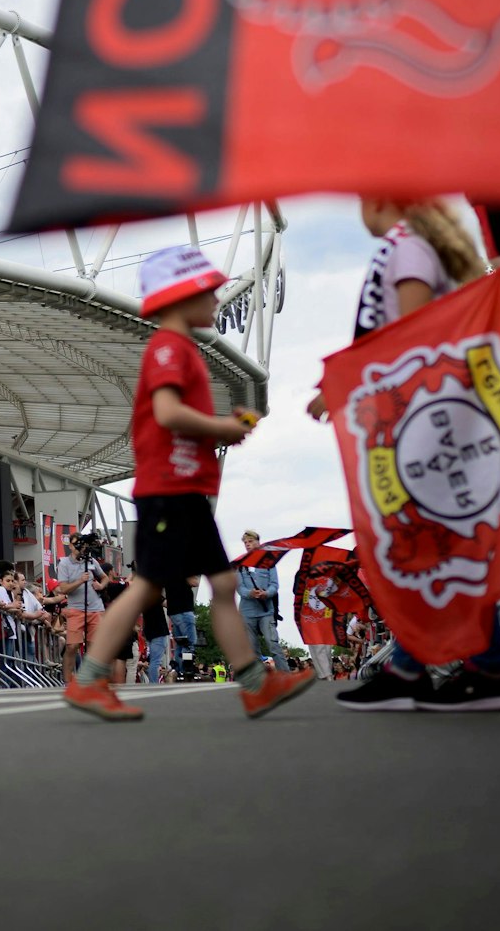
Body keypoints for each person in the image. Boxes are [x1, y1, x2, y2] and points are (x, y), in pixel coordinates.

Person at [64, 243, 315, 722]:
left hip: (183, 492)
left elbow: (175, 420)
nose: (217, 299)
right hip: (168, 492)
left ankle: (255, 684)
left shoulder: (180, 348)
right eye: (208, 291)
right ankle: (91, 679)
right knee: (146, 588)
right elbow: (167, 412)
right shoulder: (168, 347)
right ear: (180, 299)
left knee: (221, 583)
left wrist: (218, 430)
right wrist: (222, 428)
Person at [322, 198, 500, 713]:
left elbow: (412, 338)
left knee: (428, 544)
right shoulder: (421, 247)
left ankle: (432, 670)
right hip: (431, 418)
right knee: (441, 547)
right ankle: (460, 668)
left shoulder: (407, 249)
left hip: (418, 422)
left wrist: (350, 386)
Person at [53, 530, 107, 661]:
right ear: (70, 546)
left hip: (95, 608)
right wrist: (80, 581)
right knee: (73, 646)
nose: (78, 546)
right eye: (75, 544)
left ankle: (90, 678)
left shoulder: (91, 560)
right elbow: (64, 588)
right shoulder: (64, 563)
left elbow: (105, 577)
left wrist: (101, 585)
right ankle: (68, 679)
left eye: (80, 544)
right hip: (76, 609)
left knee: (94, 647)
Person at [236, 532, 286, 667]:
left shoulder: (268, 563)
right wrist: (250, 593)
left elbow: (275, 585)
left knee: (273, 644)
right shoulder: (240, 564)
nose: (247, 544)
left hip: (266, 610)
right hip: (247, 612)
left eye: (250, 541)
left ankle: (285, 675)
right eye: (245, 542)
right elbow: (239, 588)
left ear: (258, 542)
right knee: (252, 648)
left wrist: (267, 593)